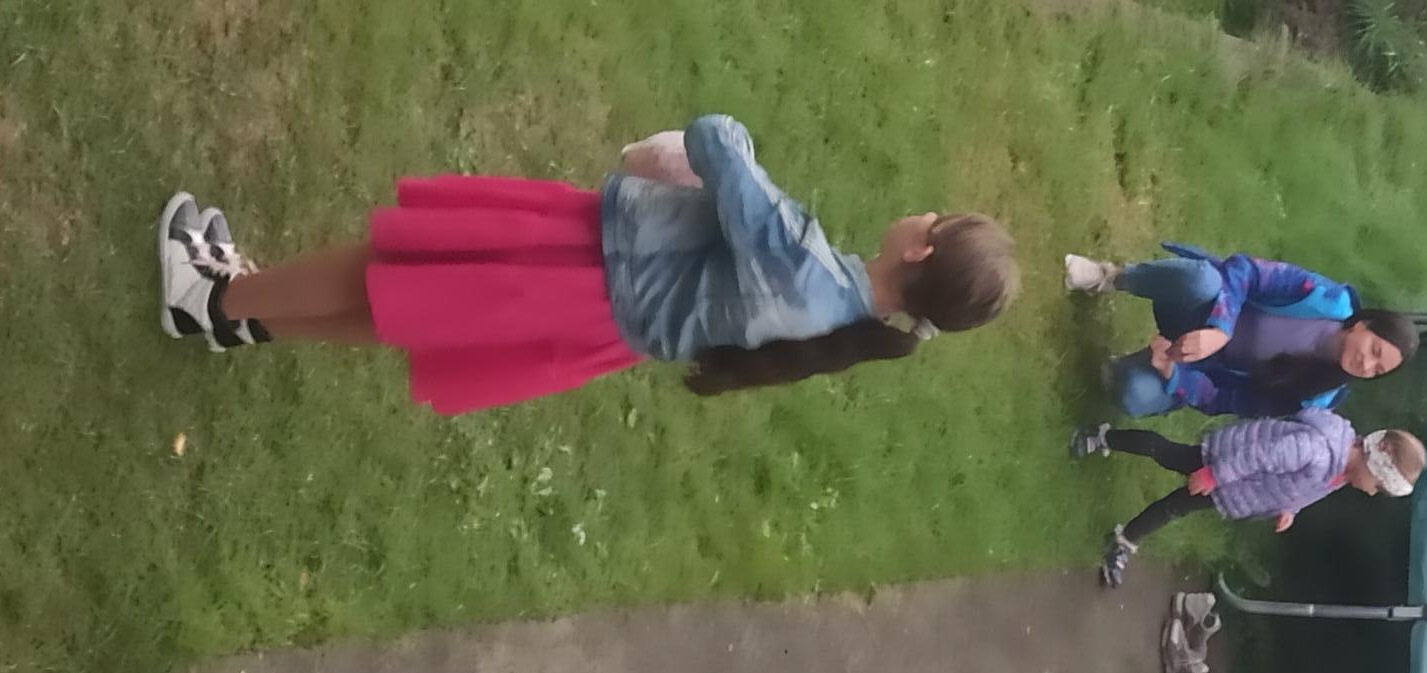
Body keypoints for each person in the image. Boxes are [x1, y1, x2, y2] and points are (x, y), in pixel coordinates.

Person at [153, 114, 1015, 413]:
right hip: (604, 325)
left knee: (395, 269)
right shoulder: (841, 323)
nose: (921, 212)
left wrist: (733, 149)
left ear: (921, 247)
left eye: (934, 219)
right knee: (407, 308)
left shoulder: (798, 255)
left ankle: (208, 297)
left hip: (586, 266)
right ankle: (247, 316)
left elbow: (717, 139)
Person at [1062, 243, 1419, 421]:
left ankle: (1133, 365)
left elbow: (1232, 401)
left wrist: (1176, 377)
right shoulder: (1326, 300)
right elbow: (1247, 270)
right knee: (1202, 279)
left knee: (1134, 396)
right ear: (1363, 324)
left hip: (1193, 365)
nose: (1366, 365)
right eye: (1374, 351)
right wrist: (1220, 328)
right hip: (1197, 307)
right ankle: (1108, 277)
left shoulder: (1316, 398)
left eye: (1377, 370)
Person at [1073, 417, 1424, 588]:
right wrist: (1214, 475)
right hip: (1223, 468)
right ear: (1375, 462)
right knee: (1165, 452)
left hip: (1237, 492)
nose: (1372, 491)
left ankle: (1124, 541)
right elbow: (1260, 456)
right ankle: (1102, 436)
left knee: (1174, 507)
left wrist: (1290, 509)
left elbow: (1305, 489)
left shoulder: (1340, 474)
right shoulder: (1317, 451)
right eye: (1378, 485)